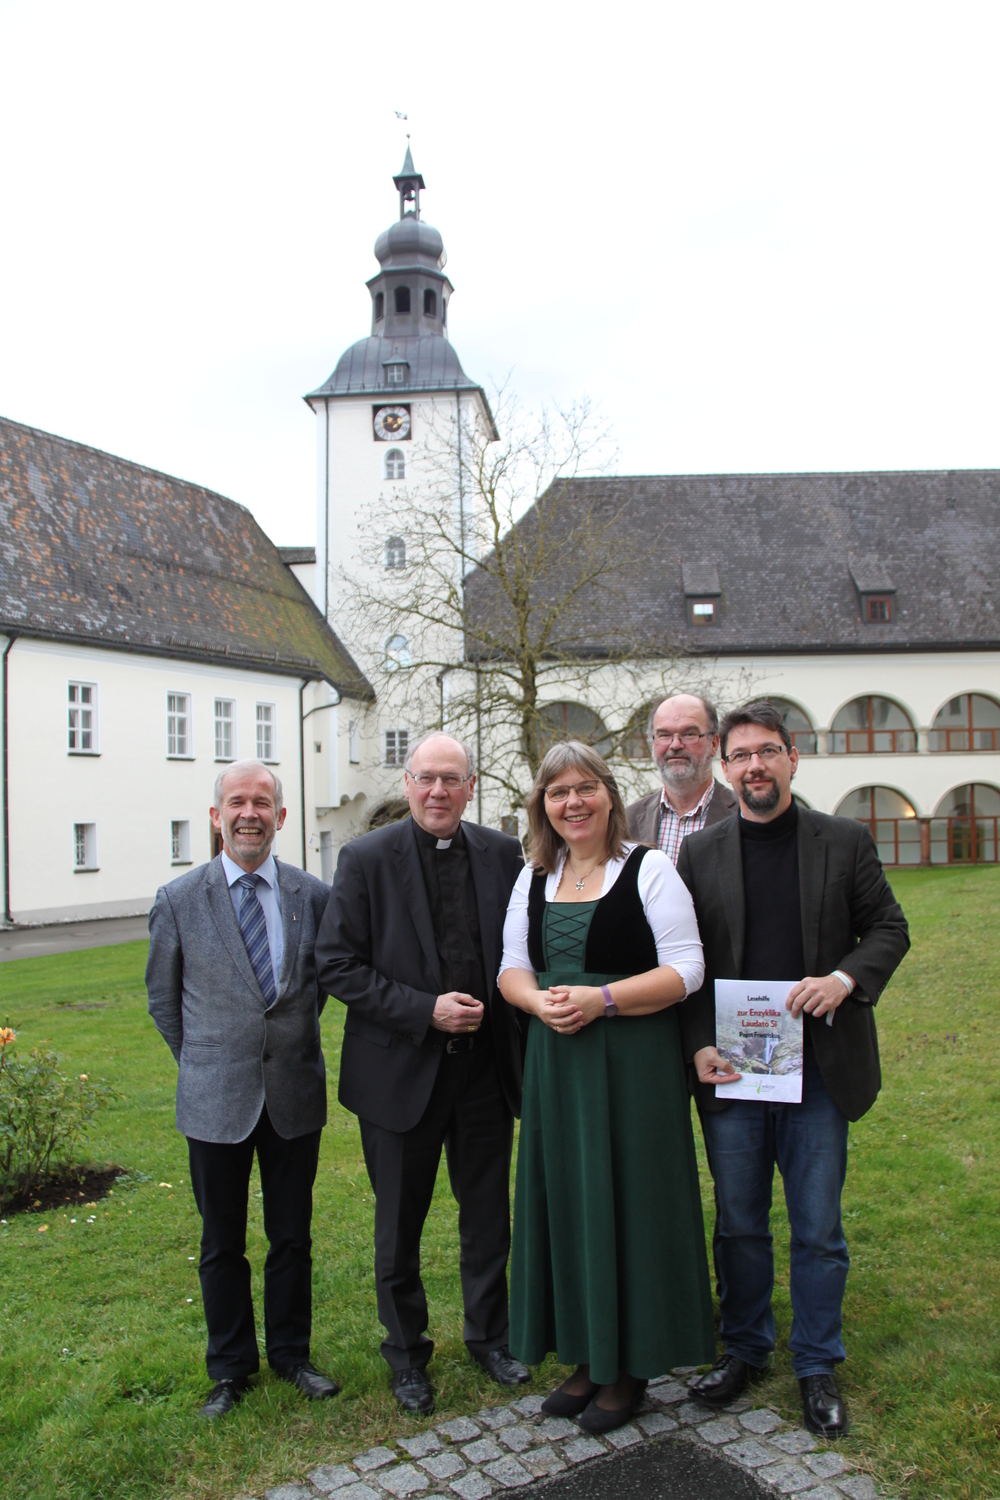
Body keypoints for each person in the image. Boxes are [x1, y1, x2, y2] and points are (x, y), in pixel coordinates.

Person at [676, 701, 909, 1438]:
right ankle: (745, 1349)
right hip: (736, 1073)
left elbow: (889, 927)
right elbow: (685, 964)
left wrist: (844, 979)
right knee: (740, 1224)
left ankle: (816, 1363)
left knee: (817, 1229)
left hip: (820, 1073)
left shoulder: (843, 840)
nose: (755, 766)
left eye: (767, 752)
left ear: (792, 758)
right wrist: (696, 1044)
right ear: (724, 767)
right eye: (741, 755)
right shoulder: (700, 854)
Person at [499, 740, 715, 1434]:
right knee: (569, 1203)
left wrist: (604, 1001)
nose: (573, 803)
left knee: (632, 1203)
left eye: (585, 787)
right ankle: (588, 1356)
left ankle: (631, 1367)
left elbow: (686, 969)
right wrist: (538, 1004)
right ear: (543, 805)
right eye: (558, 792)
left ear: (609, 795)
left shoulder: (649, 868)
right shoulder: (533, 875)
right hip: (558, 1066)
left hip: (632, 1067)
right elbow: (511, 968)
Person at [315, 732, 528, 1415]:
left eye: (451, 779)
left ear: (471, 787)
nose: (438, 791)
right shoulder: (365, 859)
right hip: (399, 1073)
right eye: (426, 778)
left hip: (484, 1073)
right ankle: (407, 1357)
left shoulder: (503, 854)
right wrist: (423, 1010)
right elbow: (337, 965)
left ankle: (490, 1338)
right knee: (398, 1227)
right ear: (407, 784)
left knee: (488, 1218)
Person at [146, 760, 339, 1419]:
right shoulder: (179, 899)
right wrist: (205, 1060)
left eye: (261, 803)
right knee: (221, 1242)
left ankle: (292, 1355)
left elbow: (315, 992)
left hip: (293, 1093)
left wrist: (280, 1048)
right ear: (216, 815)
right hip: (214, 1098)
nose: (249, 814)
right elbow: (163, 1000)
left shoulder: (312, 895)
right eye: (236, 802)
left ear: (280, 816)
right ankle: (230, 1368)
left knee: (292, 1237)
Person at [626, 693, 737, 860]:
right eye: (664, 735)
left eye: (689, 734)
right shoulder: (628, 822)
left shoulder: (742, 815)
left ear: (714, 744)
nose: (675, 745)